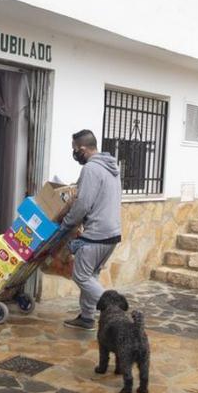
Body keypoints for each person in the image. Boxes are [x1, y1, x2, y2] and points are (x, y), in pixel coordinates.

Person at [61, 129, 123, 331]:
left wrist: (68, 223)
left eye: (74, 150)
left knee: (81, 276)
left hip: (96, 233)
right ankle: (87, 317)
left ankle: (118, 312)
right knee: (91, 275)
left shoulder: (90, 169)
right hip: (112, 233)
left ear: (82, 149)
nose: (74, 154)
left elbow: (83, 204)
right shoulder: (111, 167)